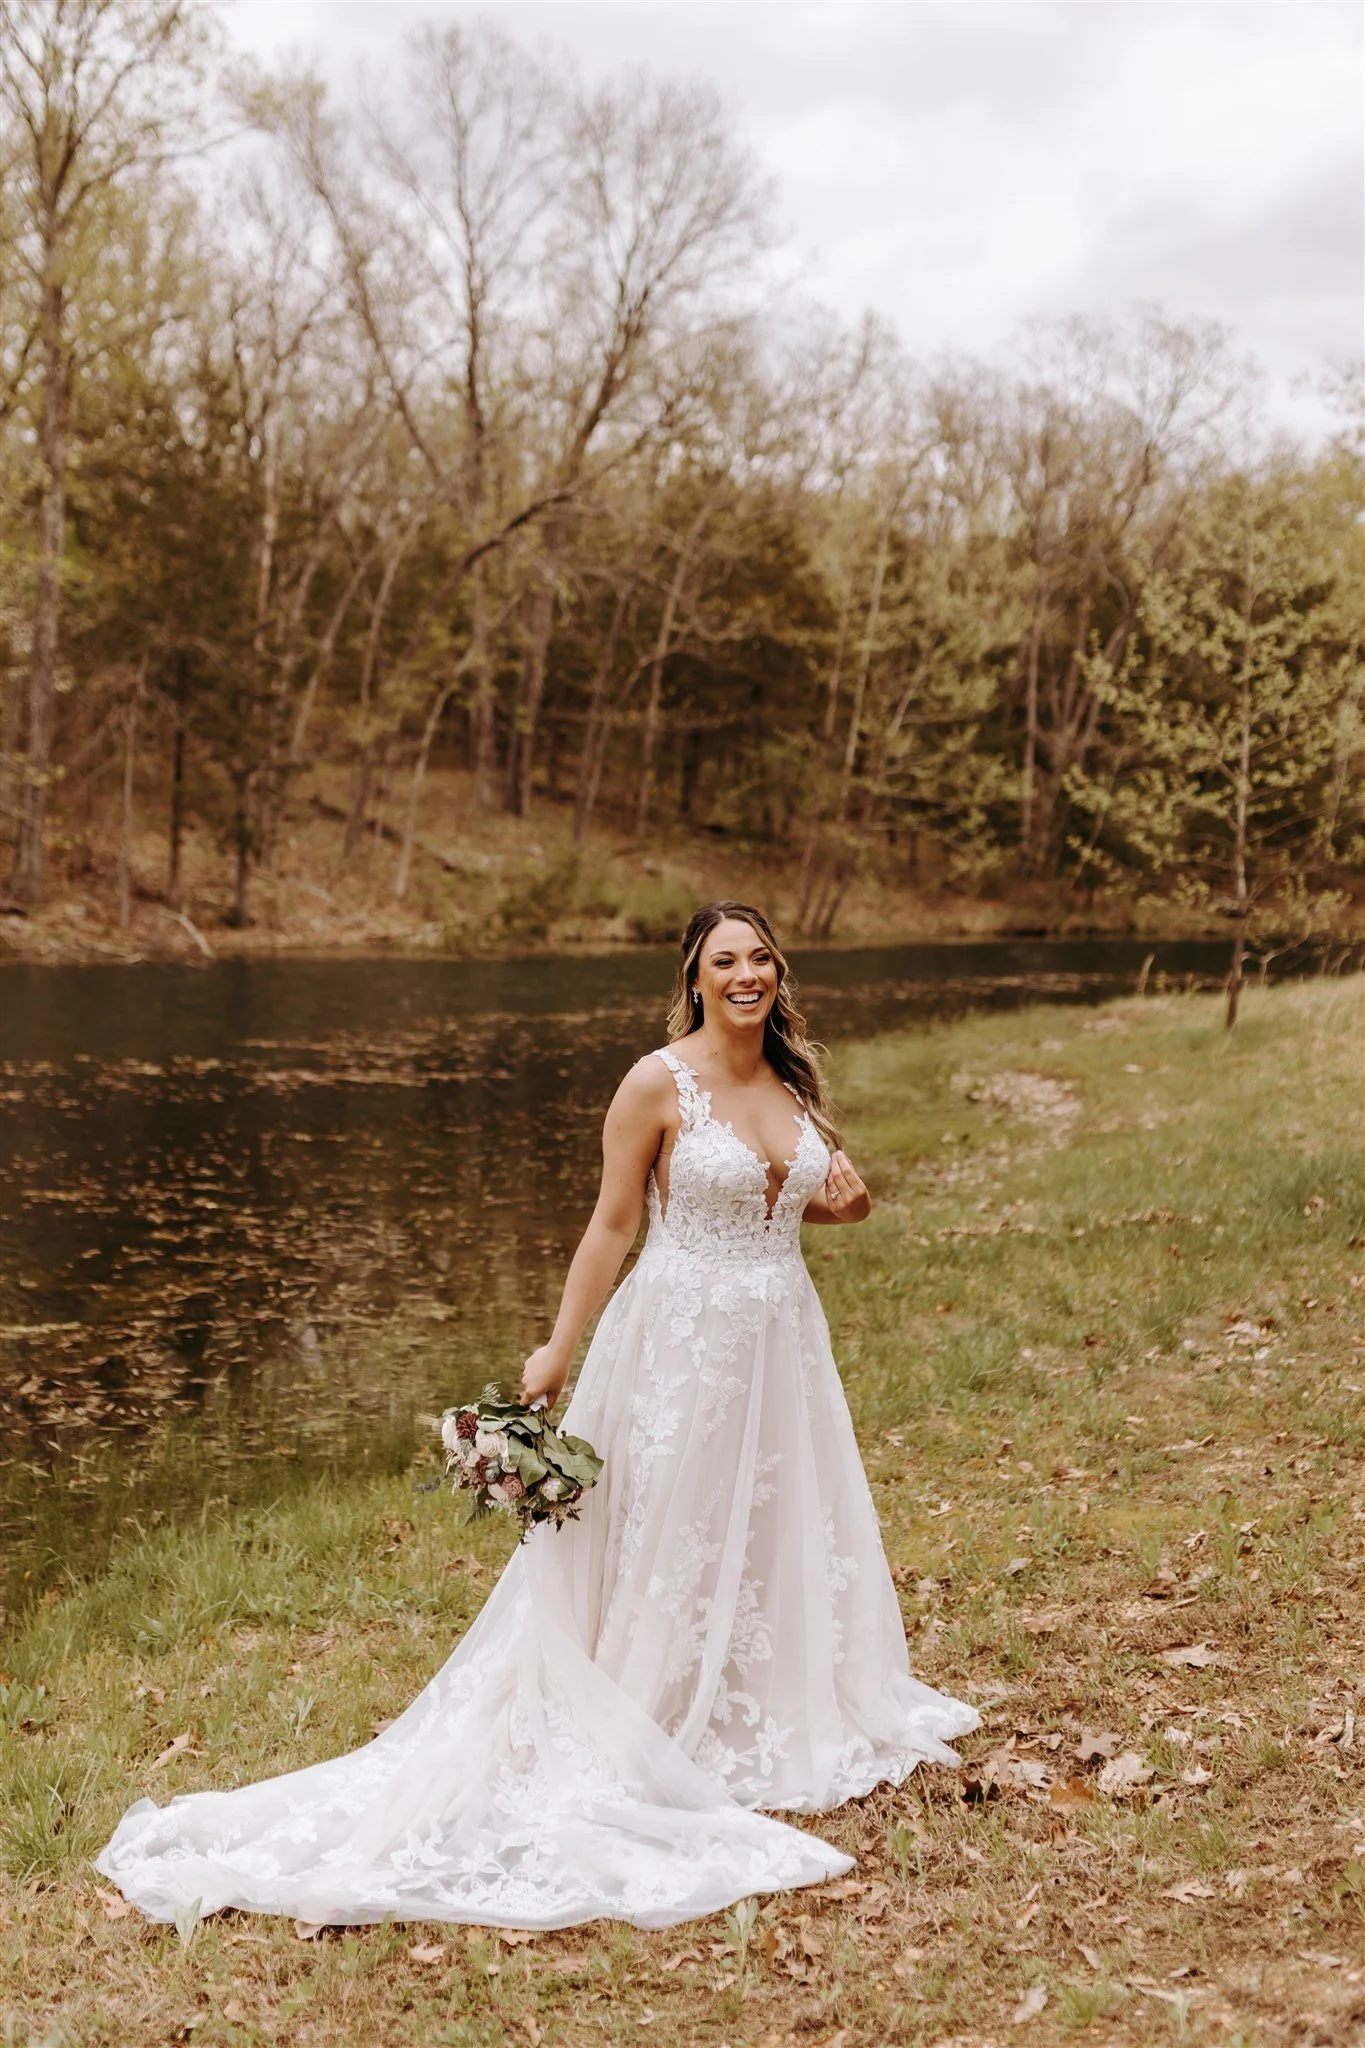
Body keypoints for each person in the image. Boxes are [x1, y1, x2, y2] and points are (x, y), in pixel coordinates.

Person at [96, 901, 977, 1931]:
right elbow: (611, 1224)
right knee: (665, 1523)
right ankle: (644, 1710)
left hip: (779, 1342)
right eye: (724, 960)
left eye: (761, 958)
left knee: (774, 1519)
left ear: (780, 974)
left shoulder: (790, 1085)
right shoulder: (659, 1081)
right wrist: (557, 1347)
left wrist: (849, 1199)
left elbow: (814, 1202)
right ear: (695, 977)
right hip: (680, 1340)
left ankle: (762, 1694)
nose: (746, 974)